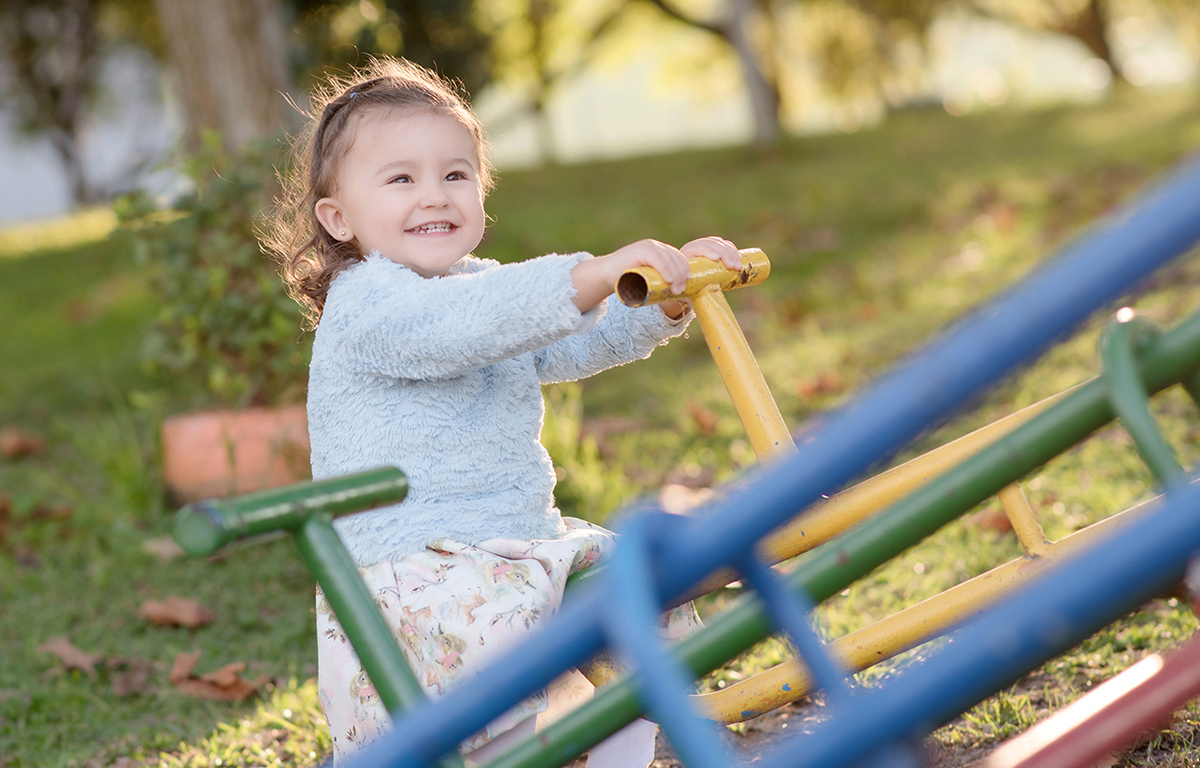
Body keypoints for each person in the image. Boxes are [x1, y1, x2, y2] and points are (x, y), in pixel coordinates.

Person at [264, 56, 744, 766]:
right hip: (418, 568)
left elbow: (568, 339)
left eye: (456, 174)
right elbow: (472, 324)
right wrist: (591, 272)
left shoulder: (479, 288)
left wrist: (657, 299)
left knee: (632, 624)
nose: (435, 196)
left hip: (511, 548)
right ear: (338, 218)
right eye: (401, 179)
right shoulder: (366, 305)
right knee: (494, 715)